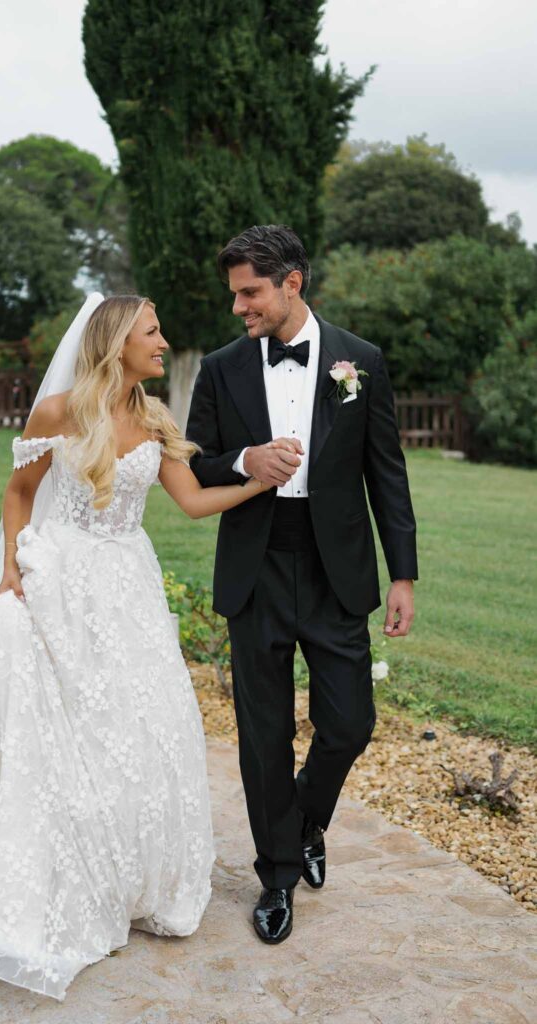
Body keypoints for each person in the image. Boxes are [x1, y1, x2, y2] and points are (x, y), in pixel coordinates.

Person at [0, 294, 283, 1001]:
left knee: (137, 727)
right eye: (151, 330)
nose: (161, 340)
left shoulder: (153, 417)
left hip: (129, 589)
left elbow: (192, 501)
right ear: (115, 341)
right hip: (63, 580)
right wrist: (15, 570)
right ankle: (57, 871)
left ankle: (122, 875)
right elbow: (19, 492)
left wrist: (254, 483)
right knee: (64, 730)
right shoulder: (57, 412)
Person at [186, 225, 418, 944]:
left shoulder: (361, 361)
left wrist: (402, 571)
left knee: (349, 722)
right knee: (263, 735)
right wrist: (246, 459)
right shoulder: (221, 368)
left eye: (249, 292)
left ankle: (303, 822)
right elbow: (196, 465)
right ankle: (278, 874)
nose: (238, 308)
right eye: (234, 295)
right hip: (254, 565)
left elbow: (386, 472)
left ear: (291, 283)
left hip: (334, 568)